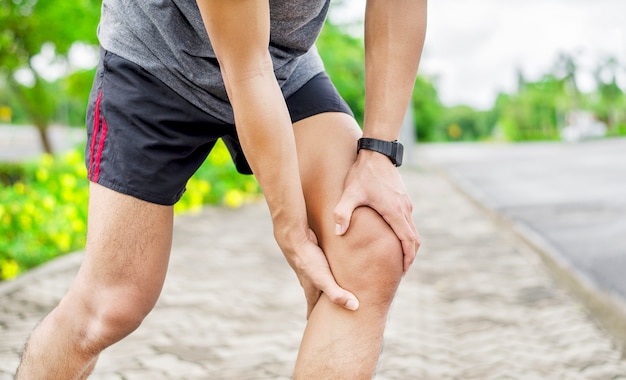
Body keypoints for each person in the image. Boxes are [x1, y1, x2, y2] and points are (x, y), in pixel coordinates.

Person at [16, 0, 426, 378]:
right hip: (158, 61)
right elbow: (246, 70)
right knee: (111, 307)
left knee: (369, 243)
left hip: (281, 63)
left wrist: (377, 155)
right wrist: (294, 233)